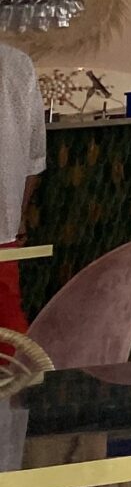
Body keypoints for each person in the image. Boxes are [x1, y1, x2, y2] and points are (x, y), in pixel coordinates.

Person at [0, 43, 42, 330]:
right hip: (3, 226)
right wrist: (19, 215)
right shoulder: (17, 63)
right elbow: (34, 157)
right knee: (6, 321)